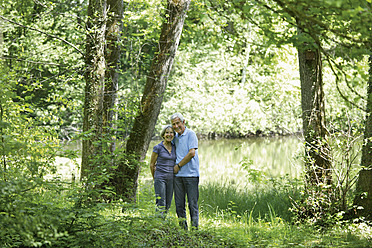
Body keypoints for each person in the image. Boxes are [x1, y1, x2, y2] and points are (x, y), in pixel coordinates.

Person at [171, 113, 200, 230]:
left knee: (192, 204)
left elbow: (192, 153)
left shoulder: (191, 134)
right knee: (179, 205)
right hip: (178, 176)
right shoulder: (175, 137)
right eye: (174, 124)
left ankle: (195, 230)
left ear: (183, 122)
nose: (176, 126)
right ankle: (183, 230)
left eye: (178, 123)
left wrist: (178, 165)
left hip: (191, 175)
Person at [149, 125, 176, 217]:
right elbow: (152, 164)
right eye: (167, 132)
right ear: (163, 135)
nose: (169, 134)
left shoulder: (175, 147)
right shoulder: (158, 147)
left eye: (171, 132)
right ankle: (158, 224)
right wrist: (155, 178)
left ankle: (163, 223)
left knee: (168, 202)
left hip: (171, 179)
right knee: (161, 202)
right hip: (160, 177)